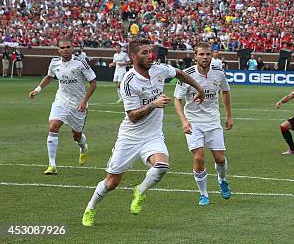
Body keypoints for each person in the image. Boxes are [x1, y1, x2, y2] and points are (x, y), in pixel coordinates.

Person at [81, 39, 205, 227]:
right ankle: (90, 208)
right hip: (130, 137)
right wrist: (154, 104)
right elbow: (132, 116)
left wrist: (199, 88)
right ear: (133, 57)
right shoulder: (129, 81)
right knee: (111, 182)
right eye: (145, 53)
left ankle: (140, 190)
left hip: (152, 135)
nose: (150, 56)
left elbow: (179, 73)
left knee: (162, 166)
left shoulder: (158, 69)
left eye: (151, 52)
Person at [174, 43, 233, 206]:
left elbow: (226, 92)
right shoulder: (187, 75)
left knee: (220, 159)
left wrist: (229, 115)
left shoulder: (219, 73)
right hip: (193, 122)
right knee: (199, 158)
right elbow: (177, 100)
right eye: (202, 54)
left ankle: (222, 180)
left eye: (208, 54)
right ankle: (203, 194)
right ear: (196, 56)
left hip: (213, 121)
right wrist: (184, 120)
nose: (205, 57)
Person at [27, 38, 97, 174]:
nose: (65, 50)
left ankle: (83, 147)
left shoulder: (80, 63)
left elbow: (93, 83)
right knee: (53, 127)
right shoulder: (54, 63)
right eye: (62, 48)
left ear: (72, 48)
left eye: (68, 47)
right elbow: (49, 77)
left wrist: (84, 101)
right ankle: (52, 165)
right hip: (61, 101)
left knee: (76, 135)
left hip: (78, 105)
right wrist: (37, 90)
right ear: (58, 50)